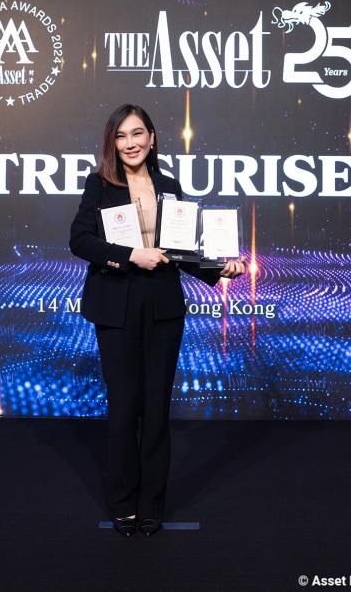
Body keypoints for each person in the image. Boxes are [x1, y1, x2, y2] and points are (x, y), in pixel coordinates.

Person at [69, 104, 246, 537]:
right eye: (121, 136)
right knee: (124, 407)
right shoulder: (99, 184)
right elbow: (80, 240)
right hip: (116, 306)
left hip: (163, 307)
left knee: (155, 408)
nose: (130, 143)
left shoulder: (168, 185)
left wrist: (220, 269)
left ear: (151, 137)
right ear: (112, 142)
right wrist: (130, 255)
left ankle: (151, 506)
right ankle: (123, 504)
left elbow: (182, 250)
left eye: (137, 134)